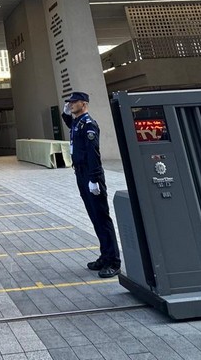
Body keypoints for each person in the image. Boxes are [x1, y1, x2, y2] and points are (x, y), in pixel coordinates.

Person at [60, 91, 120, 279]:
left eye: (74, 102)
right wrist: (65, 114)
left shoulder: (88, 124)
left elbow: (93, 154)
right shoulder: (78, 122)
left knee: (101, 217)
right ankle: (105, 256)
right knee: (94, 216)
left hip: (90, 173)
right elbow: (71, 126)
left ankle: (113, 261)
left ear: (84, 104)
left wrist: (93, 179)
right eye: (69, 103)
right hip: (81, 172)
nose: (71, 105)